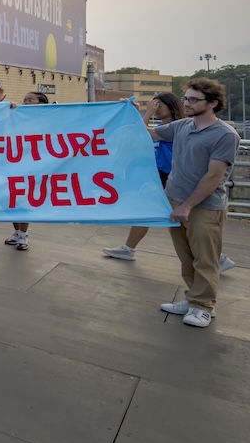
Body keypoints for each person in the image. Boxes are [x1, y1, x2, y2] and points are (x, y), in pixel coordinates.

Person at [102, 93, 237, 272]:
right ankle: (128, 248)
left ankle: (216, 259)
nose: (156, 109)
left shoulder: (180, 127)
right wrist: (135, 112)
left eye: (160, 105)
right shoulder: (168, 127)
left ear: (171, 107)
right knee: (147, 211)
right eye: (154, 105)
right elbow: (143, 132)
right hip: (160, 176)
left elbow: (142, 134)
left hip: (172, 177)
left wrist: (147, 112)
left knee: (184, 222)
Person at [144, 79, 240, 327]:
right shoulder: (183, 125)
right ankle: (193, 299)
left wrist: (187, 206)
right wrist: (134, 113)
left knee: (205, 259)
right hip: (174, 201)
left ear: (213, 103)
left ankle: (203, 307)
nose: (186, 103)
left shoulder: (225, 135)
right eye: (185, 98)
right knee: (186, 257)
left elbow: (214, 176)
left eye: (193, 99)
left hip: (204, 207)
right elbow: (149, 134)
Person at [0, 86, 49, 250]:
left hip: (32, 166)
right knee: (12, 199)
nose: (26, 102)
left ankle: (23, 235)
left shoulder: (47, 120)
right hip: (13, 164)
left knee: (24, 200)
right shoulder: (17, 116)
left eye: (30, 100)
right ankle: (17, 232)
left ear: (41, 104)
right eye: (25, 100)